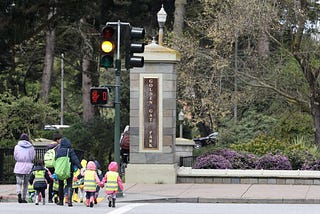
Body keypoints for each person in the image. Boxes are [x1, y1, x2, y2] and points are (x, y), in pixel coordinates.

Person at [55, 137, 81, 207]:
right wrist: (80, 167)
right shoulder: (70, 150)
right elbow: (75, 159)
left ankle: (61, 201)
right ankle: (69, 201)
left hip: (60, 171)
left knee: (61, 185)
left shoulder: (58, 151)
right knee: (69, 184)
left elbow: (56, 161)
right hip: (69, 170)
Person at [13, 133, 36, 203]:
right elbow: (33, 157)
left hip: (19, 165)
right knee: (26, 183)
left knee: (18, 182)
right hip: (28, 166)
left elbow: (15, 156)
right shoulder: (31, 147)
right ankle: (23, 198)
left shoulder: (17, 146)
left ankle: (18, 193)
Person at [46, 132, 62, 203]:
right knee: (57, 182)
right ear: (58, 139)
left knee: (51, 182)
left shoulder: (48, 146)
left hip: (49, 165)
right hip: (55, 165)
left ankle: (50, 198)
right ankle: (56, 195)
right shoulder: (58, 146)